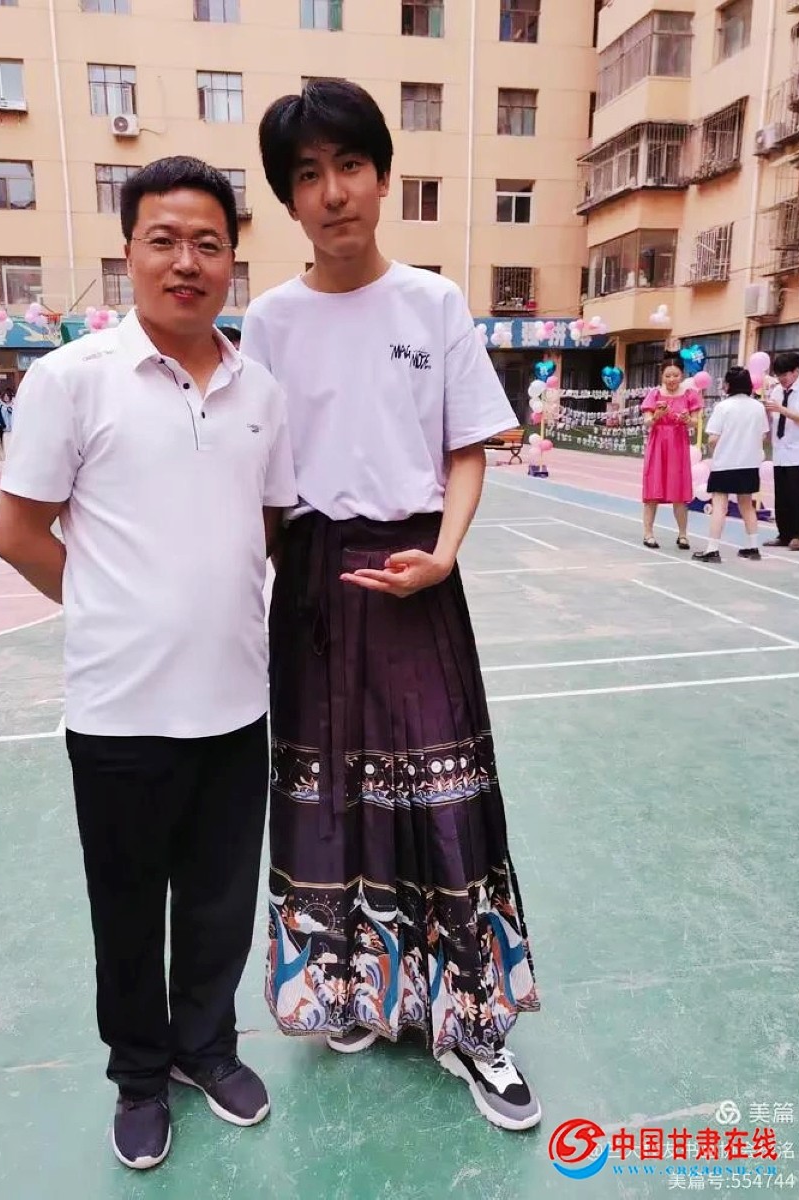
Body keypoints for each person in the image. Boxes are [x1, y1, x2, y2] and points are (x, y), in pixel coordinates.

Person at [241, 80, 540, 1132]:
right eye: (308, 175)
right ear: (288, 199)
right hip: (313, 582)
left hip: (418, 572)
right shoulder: (268, 322)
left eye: (350, 166)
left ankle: (474, 1023)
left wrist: (443, 557)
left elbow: (467, 449)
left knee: (443, 793)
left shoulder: (433, 304)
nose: (333, 192)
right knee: (329, 795)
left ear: (382, 178)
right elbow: (258, 478)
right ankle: (355, 994)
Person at [0, 156, 297, 1170]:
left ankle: (205, 1050)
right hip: (119, 715)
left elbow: (266, 526)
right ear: (129, 253)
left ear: (232, 261)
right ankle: (138, 1075)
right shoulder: (72, 379)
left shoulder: (261, 391)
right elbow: (18, 532)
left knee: (218, 904)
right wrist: (108, 610)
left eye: (208, 243)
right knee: (127, 911)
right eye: (163, 240)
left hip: (235, 706)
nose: (186, 262)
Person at [692, 367, 770, 564]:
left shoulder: (723, 407)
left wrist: (723, 443)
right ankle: (753, 547)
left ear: (728, 385)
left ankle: (712, 549)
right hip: (749, 463)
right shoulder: (758, 407)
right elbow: (763, 435)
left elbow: (713, 438)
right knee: (747, 505)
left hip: (725, 463)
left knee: (719, 504)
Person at [640, 354, 703, 549]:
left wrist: (687, 420)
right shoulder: (654, 394)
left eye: (675, 375)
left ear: (682, 375)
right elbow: (647, 421)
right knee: (653, 490)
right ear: (661, 375)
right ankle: (648, 533)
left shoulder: (690, 395)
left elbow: (695, 421)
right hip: (658, 444)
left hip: (678, 445)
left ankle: (683, 535)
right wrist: (656, 416)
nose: (671, 379)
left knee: (679, 492)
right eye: (667, 376)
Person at [764, 351, 799, 552]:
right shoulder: (777, 391)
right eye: (778, 374)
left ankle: (797, 535)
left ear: (796, 371)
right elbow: (773, 418)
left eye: (785, 374)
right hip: (780, 450)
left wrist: (781, 409)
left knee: (796, 495)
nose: (781, 379)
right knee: (780, 495)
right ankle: (783, 534)